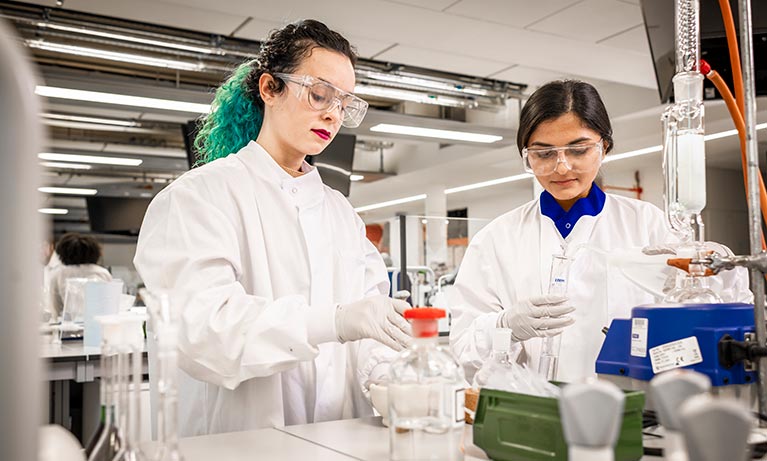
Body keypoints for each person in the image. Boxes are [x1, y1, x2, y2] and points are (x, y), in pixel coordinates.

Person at [134, 20, 412, 436]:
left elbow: (370, 332)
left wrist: (396, 381)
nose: (333, 113)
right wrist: (332, 322)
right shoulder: (198, 197)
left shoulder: (341, 214)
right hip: (237, 442)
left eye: (345, 103)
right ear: (269, 88)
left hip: (338, 438)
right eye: (320, 94)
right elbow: (202, 330)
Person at [449, 80, 750, 383]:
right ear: (526, 156)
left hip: (633, 409)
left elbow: (721, 310)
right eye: (544, 154)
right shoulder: (495, 240)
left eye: (578, 150)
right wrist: (505, 328)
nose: (562, 168)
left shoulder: (649, 225)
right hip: (530, 414)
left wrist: (719, 263)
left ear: (604, 147)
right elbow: (463, 351)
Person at [48, 233, 112, 320]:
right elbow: (110, 305)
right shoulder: (103, 273)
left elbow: (55, 308)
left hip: (68, 328)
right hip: (99, 326)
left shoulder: (58, 274)